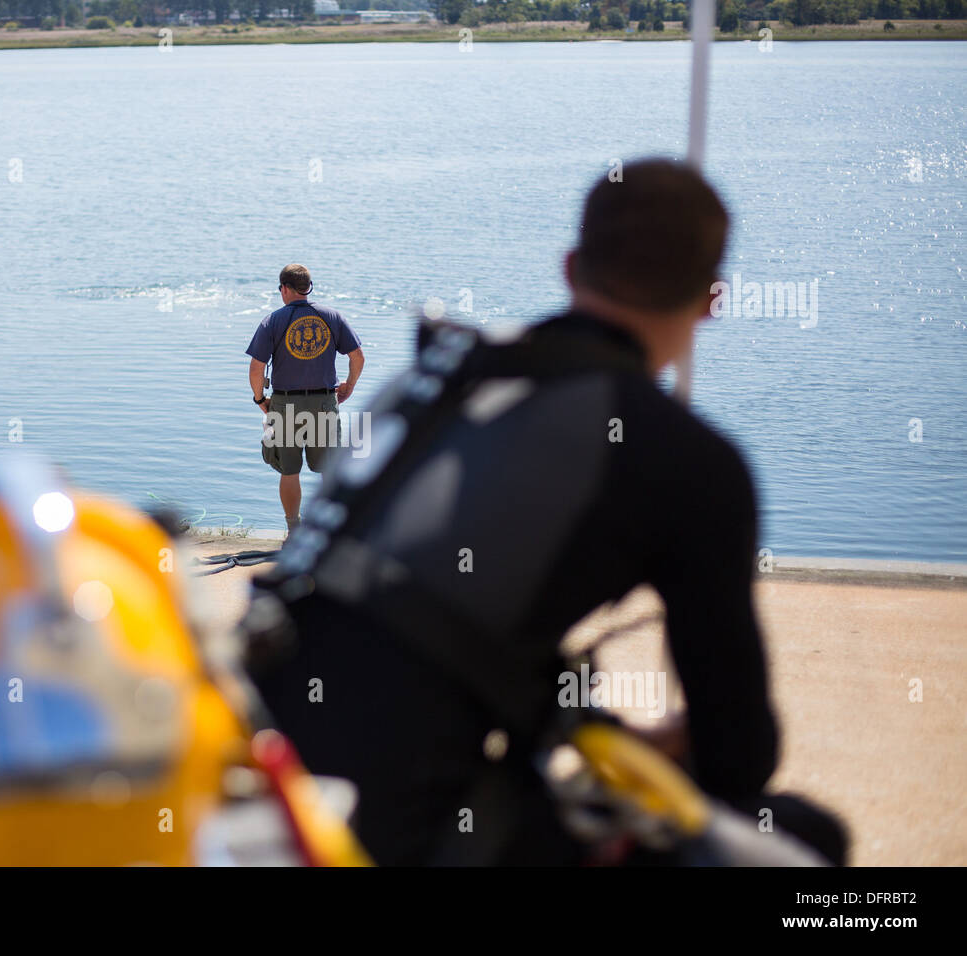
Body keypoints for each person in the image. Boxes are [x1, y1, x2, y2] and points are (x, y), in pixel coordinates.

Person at [243, 160, 848, 866]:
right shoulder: (687, 458)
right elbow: (737, 755)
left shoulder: (432, 378)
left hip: (257, 776)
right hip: (394, 835)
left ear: (569, 268)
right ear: (713, 299)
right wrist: (646, 743)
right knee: (802, 836)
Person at [246, 264, 365, 535]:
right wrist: (349, 387)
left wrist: (260, 399)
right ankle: (328, 531)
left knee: (289, 471)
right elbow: (357, 356)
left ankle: (293, 530)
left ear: (285, 289)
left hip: (285, 404)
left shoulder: (272, 321)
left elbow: (256, 368)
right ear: (308, 287)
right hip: (324, 402)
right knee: (329, 470)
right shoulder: (333, 317)